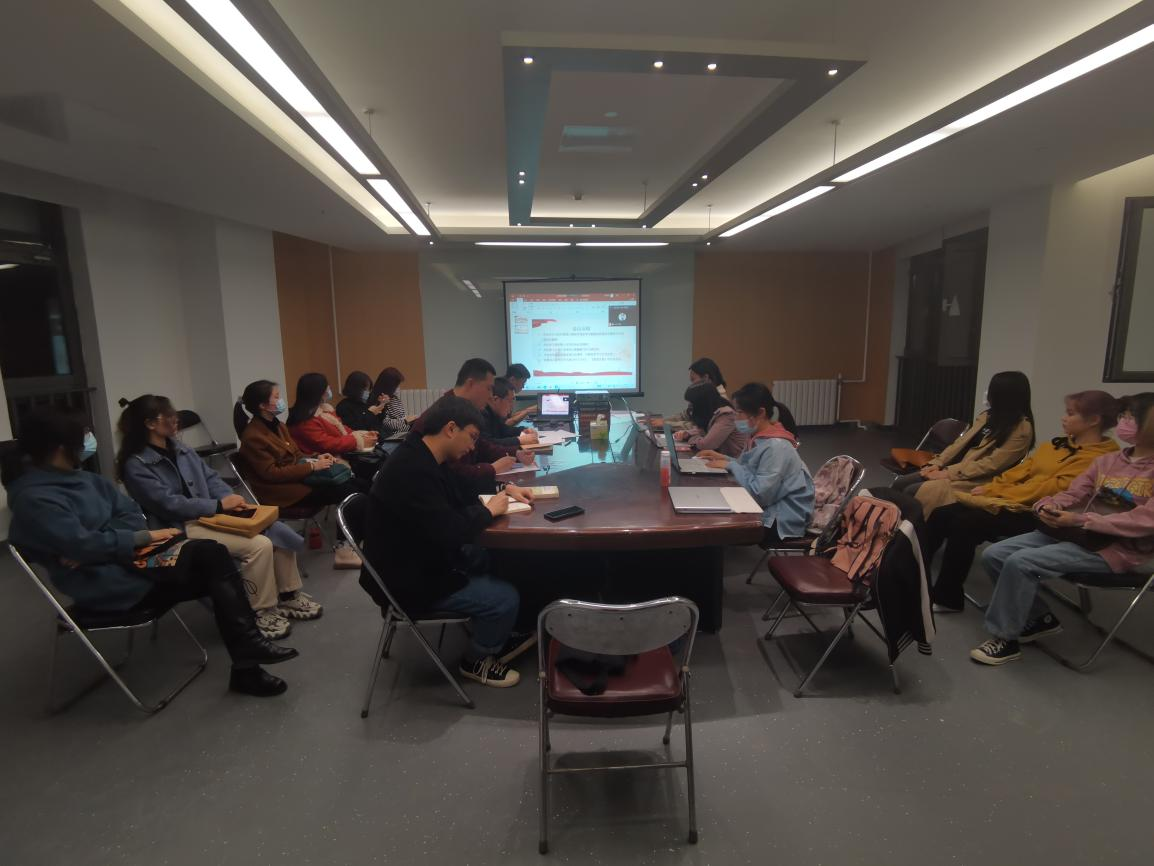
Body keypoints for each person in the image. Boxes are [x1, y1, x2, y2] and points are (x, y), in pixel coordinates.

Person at [3, 406, 297, 696]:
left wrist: (109, 540)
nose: (87, 443)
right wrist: (118, 541)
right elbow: (84, 545)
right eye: (82, 438)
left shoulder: (88, 480)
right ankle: (248, 660)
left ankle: (248, 657)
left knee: (212, 555)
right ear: (60, 448)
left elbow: (129, 514)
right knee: (214, 565)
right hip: (108, 582)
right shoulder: (34, 498)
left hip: (135, 561)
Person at [117, 394, 322, 641]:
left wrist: (230, 500)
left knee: (274, 528)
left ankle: (288, 595)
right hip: (180, 527)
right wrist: (217, 505)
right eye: (168, 416)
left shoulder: (180, 448)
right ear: (150, 424)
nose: (175, 419)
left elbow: (211, 478)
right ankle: (259, 611)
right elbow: (168, 504)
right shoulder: (136, 465)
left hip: (213, 516)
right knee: (258, 545)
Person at [970, 392, 1154, 666]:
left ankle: (1005, 639)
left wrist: (1081, 520)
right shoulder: (1108, 461)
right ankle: (1038, 618)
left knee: (1021, 562)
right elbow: (1075, 491)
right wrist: (1050, 505)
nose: (1123, 423)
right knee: (994, 554)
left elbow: (1145, 519)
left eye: (1131, 418)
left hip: (1117, 549)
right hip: (1080, 535)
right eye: (1123, 416)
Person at [363, 396, 536, 687]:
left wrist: (505, 489)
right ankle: (476, 659)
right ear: (451, 428)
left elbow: (460, 490)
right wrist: (488, 511)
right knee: (505, 598)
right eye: (472, 437)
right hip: (409, 580)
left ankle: (498, 626)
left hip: (419, 557)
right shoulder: (413, 471)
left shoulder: (423, 455)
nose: (473, 447)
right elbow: (449, 530)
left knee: (497, 558)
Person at [922, 391, 1119, 612]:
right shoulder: (1055, 446)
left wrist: (1000, 493)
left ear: (1093, 420)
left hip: (1041, 513)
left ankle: (947, 598)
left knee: (966, 524)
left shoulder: (1100, 458)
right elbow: (1021, 471)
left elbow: (1052, 488)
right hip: (1010, 501)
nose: (1064, 418)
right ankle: (916, 577)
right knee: (942, 514)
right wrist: (992, 488)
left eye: (1071, 414)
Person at [898, 371, 1035, 516]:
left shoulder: (1021, 429)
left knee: (912, 491)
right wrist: (937, 463)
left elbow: (990, 465)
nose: (988, 394)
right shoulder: (987, 416)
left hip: (974, 480)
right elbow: (959, 444)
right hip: (952, 468)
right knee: (900, 483)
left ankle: (908, 527)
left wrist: (947, 473)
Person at [697, 382, 815, 544]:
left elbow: (760, 495)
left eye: (739, 413)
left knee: (713, 522)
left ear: (760, 413)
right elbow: (747, 468)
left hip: (780, 520)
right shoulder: (757, 436)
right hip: (770, 506)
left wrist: (730, 465)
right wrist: (722, 458)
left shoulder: (776, 447)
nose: (735, 418)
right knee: (712, 506)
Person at [407, 358, 531, 493]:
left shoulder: (462, 408)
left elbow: (481, 445)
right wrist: (492, 469)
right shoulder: (447, 413)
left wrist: (515, 453)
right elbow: (454, 474)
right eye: (489, 388)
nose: (491, 395)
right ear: (471, 384)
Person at [287, 372, 379, 482]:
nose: (329, 389)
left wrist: (364, 435)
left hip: (339, 456)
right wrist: (358, 440)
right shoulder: (304, 420)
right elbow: (327, 444)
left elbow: (342, 429)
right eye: (327, 387)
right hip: (326, 466)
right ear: (318, 392)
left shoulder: (323, 410)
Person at [673, 381, 747, 457]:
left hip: (734, 461)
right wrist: (687, 433)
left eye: (692, 403)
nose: (690, 407)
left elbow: (706, 445)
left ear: (702, 403)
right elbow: (705, 431)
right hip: (722, 458)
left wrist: (690, 438)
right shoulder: (712, 411)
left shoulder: (726, 415)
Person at [482, 377, 539, 448]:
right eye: (510, 401)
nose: (512, 405)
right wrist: (519, 440)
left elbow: (504, 430)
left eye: (513, 400)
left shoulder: (494, 413)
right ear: (495, 400)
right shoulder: (482, 415)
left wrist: (523, 430)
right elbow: (488, 444)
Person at [370, 367, 409, 436]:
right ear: (388, 386)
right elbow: (385, 424)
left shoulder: (395, 398)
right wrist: (405, 421)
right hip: (391, 436)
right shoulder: (378, 400)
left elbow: (402, 416)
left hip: (403, 432)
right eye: (396, 386)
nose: (398, 388)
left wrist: (409, 421)